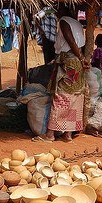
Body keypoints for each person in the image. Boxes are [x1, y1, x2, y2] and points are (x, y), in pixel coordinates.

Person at [42, 9, 89, 142]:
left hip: (69, 62)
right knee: (75, 97)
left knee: (61, 97)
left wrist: (80, 58)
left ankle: (50, 134)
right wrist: (81, 58)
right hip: (76, 63)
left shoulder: (64, 21)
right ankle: (68, 134)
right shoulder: (77, 23)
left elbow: (71, 40)